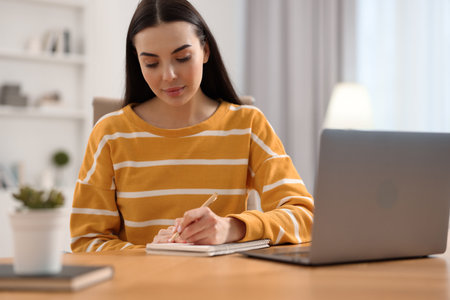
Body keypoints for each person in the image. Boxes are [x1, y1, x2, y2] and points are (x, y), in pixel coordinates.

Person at [70, 0, 314, 252]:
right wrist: (148, 253)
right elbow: (86, 242)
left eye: (183, 57)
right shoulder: (110, 134)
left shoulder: (248, 125)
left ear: (205, 51)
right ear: (137, 62)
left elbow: (306, 218)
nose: (169, 75)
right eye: (151, 63)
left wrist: (231, 228)